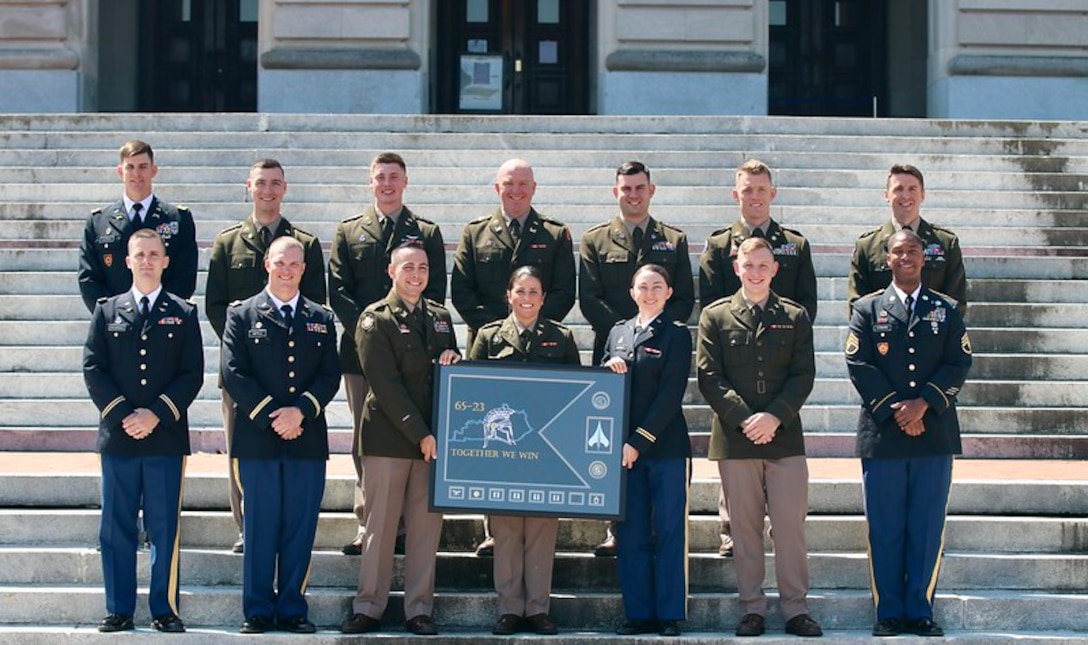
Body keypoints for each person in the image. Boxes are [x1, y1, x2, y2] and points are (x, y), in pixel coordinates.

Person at [845, 229, 972, 638]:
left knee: (926, 525)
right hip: (884, 435)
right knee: (884, 527)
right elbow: (859, 363)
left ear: (924, 258)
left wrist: (925, 404)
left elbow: (959, 361)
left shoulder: (946, 308)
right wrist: (897, 409)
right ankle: (889, 612)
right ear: (887, 259)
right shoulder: (867, 308)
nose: (906, 257)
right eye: (898, 251)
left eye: (913, 251)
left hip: (933, 434)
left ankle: (920, 610)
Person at [696, 237, 822, 638]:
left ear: (774, 269)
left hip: (783, 438)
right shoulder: (716, 316)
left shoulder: (795, 316)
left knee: (789, 526)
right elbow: (709, 377)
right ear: (737, 268)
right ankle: (752, 608)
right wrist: (748, 419)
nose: (755, 272)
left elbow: (803, 375)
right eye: (748, 265)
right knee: (745, 530)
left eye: (763, 266)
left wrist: (774, 416)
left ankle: (795, 609)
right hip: (736, 438)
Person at [450, 158, 576, 557]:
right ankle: (493, 528)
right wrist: (503, 329)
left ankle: (537, 517)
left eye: (523, 184)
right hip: (491, 353)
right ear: (496, 188)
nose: (516, 191)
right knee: (493, 439)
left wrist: (532, 327)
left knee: (532, 437)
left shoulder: (554, 235)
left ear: (534, 188)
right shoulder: (475, 233)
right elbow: (463, 293)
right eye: (509, 184)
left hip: (542, 355)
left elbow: (563, 291)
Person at [82, 228, 203, 633]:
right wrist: (122, 416)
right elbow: (93, 369)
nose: (148, 261)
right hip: (118, 437)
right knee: (115, 525)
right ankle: (119, 608)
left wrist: (156, 414)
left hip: (165, 436)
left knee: (164, 525)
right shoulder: (107, 309)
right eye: (140, 254)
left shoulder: (183, 313)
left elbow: (191, 374)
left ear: (166, 261)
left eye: (155, 254)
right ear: (128, 261)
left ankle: (163, 608)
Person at [220, 236, 341, 634]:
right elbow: (233, 373)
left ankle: (291, 607)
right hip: (258, 437)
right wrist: (273, 416)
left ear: (304, 269)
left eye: (294, 264)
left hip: (306, 437)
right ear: (266, 265)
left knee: (299, 526)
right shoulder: (241, 314)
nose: (286, 270)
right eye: (279, 263)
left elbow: (329, 375)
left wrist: (300, 411)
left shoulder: (321, 318)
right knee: (259, 526)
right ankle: (257, 608)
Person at [205, 158, 326, 553]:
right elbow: (215, 305)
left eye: (275, 183)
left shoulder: (303, 243)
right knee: (243, 452)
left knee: (294, 453)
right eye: (261, 184)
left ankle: (286, 526)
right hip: (244, 373)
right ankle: (246, 526)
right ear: (249, 187)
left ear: (285, 188)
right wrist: (240, 351)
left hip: (296, 373)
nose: (268, 191)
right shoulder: (228, 242)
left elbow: (317, 305)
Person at [328, 152, 446, 556]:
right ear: (371, 182)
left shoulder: (426, 233)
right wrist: (371, 335)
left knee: (413, 433)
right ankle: (371, 520)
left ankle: (407, 524)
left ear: (406, 181)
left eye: (394, 177)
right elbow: (338, 291)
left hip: (417, 357)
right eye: (380, 177)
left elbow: (436, 292)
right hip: (362, 353)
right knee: (370, 436)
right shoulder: (349, 231)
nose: (387, 184)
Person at [698, 159, 817, 557]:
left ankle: (775, 526)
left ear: (772, 194)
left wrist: (782, 340)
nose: (754, 197)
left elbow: (806, 305)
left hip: (781, 354)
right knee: (736, 460)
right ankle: (732, 527)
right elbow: (713, 305)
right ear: (737, 195)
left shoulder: (795, 245)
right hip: (735, 361)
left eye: (761, 190)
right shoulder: (718, 246)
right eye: (747, 190)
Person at [341, 241, 461, 637]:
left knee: (426, 530)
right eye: (407, 267)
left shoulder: (441, 318)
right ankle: (369, 605)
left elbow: (448, 375)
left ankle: (419, 609)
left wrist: (454, 363)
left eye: (423, 267)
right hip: (390, 440)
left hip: (432, 444)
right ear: (391, 272)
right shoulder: (375, 319)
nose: (416, 274)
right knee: (381, 528)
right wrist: (421, 434)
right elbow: (385, 385)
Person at [579, 161, 694, 558]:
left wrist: (650, 334)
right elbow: (588, 297)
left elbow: (683, 300)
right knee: (613, 442)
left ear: (652, 190)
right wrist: (625, 337)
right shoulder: (595, 240)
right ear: (616, 192)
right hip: (614, 357)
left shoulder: (673, 240)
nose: (633, 194)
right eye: (626, 188)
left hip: (660, 354)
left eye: (640, 188)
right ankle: (616, 527)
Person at [469, 265, 580, 636]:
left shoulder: (560, 338)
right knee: (506, 531)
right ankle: (509, 608)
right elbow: (475, 391)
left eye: (534, 292)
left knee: (540, 531)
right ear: (509, 295)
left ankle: (537, 608)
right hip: (503, 454)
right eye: (521, 291)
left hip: (545, 454)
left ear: (544, 297)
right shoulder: (488, 337)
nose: (527, 298)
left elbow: (574, 397)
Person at [603, 264, 691, 638]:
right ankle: (638, 613)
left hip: (664, 449)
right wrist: (608, 368)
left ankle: (669, 614)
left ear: (669, 292)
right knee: (631, 534)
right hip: (623, 453)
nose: (650, 293)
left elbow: (671, 395)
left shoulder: (677, 334)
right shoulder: (617, 332)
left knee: (670, 532)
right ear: (632, 291)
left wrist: (638, 442)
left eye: (658, 287)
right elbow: (599, 386)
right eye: (643, 286)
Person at [78, 139, 197, 313]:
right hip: (115, 324)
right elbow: (88, 278)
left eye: (143, 167)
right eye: (130, 167)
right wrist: (112, 314)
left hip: (164, 323)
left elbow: (185, 276)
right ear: (120, 171)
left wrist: (159, 312)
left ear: (153, 170)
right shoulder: (98, 222)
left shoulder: (177, 219)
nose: (136, 174)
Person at [848, 163, 967, 317]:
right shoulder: (867, 246)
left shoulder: (945, 243)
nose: (905, 196)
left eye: (912, 189)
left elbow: (956, 304)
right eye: (898, 189)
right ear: (887, 195)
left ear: (922, 194)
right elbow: (857, 306)